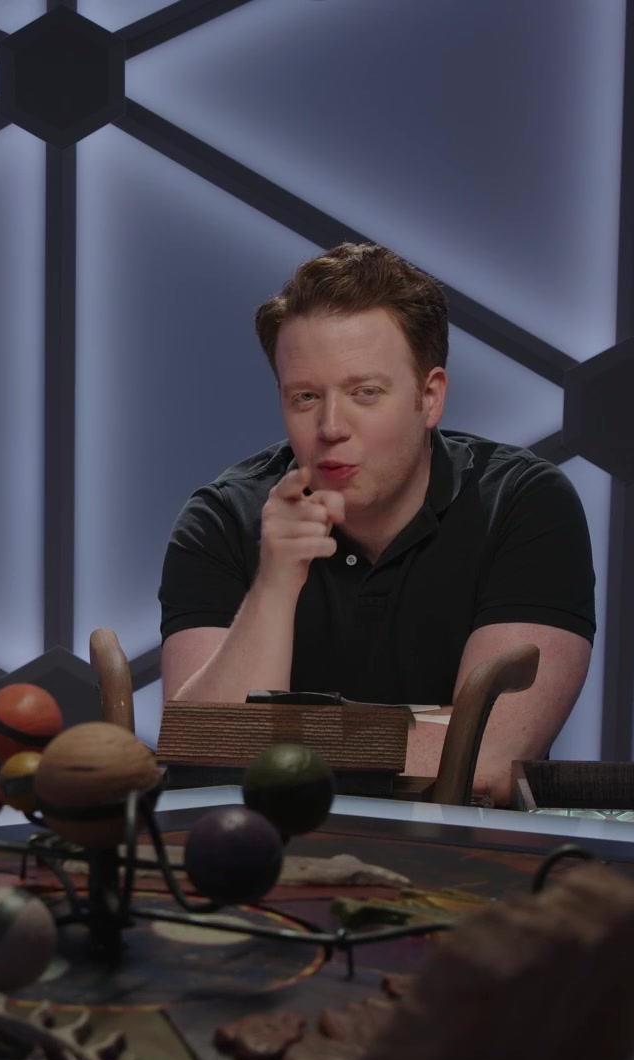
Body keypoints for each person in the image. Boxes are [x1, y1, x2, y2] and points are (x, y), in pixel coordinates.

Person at [158, 243, 594, 806]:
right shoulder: (220, 520)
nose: (331, 426)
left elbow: (486, 761)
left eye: (365, 393)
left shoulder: (524, 504)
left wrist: (277, 740)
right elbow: (200, 760)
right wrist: (275, 583)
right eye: (305, 397)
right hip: (263, 844)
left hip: (463, 851)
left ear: (429, 397)